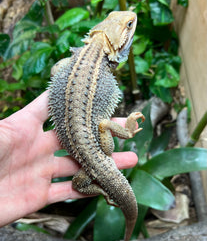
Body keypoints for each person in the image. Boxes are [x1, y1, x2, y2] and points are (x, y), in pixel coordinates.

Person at [0, 91, 138, 227]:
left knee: (78, 185)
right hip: (103, 151)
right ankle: (127, 133)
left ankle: (104, 191)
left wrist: (100, 190)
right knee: (104, 125)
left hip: (94, 159)